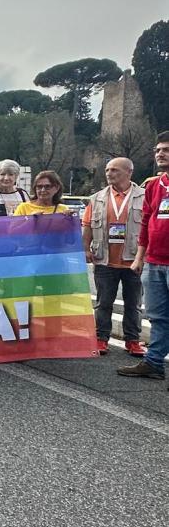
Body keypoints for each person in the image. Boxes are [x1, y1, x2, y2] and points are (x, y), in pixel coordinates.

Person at [118, 132, 169, 379]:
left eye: (166, 150)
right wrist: (140, 257)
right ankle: (154, 362)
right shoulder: (153, 185)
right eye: (158, 150)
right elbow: (147, 221)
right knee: (158, 316)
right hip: (154, 261)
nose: (161, 154)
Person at [84, 158, 145, 357]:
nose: (109, 173)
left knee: (133, 303)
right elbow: (87, 225)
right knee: (103, 302)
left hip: (134, 260)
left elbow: (150, 228)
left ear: (129, 172)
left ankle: (133, 340)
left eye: (115, 170)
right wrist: (85, 248)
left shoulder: (144, 197)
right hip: (105, 258)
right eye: (107, 169)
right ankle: (101, 338)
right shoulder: (97, 198)